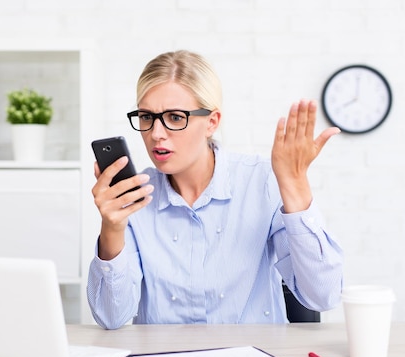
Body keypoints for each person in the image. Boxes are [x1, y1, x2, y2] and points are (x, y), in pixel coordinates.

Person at [87, 50, 343, 330]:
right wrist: (111, 227)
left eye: (174, 117)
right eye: (147, 117)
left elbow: (323, 295)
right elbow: (111, 318)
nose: (156, 133)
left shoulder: (262, 181)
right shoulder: (135, 196)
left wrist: (295, 186)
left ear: (212, 122)